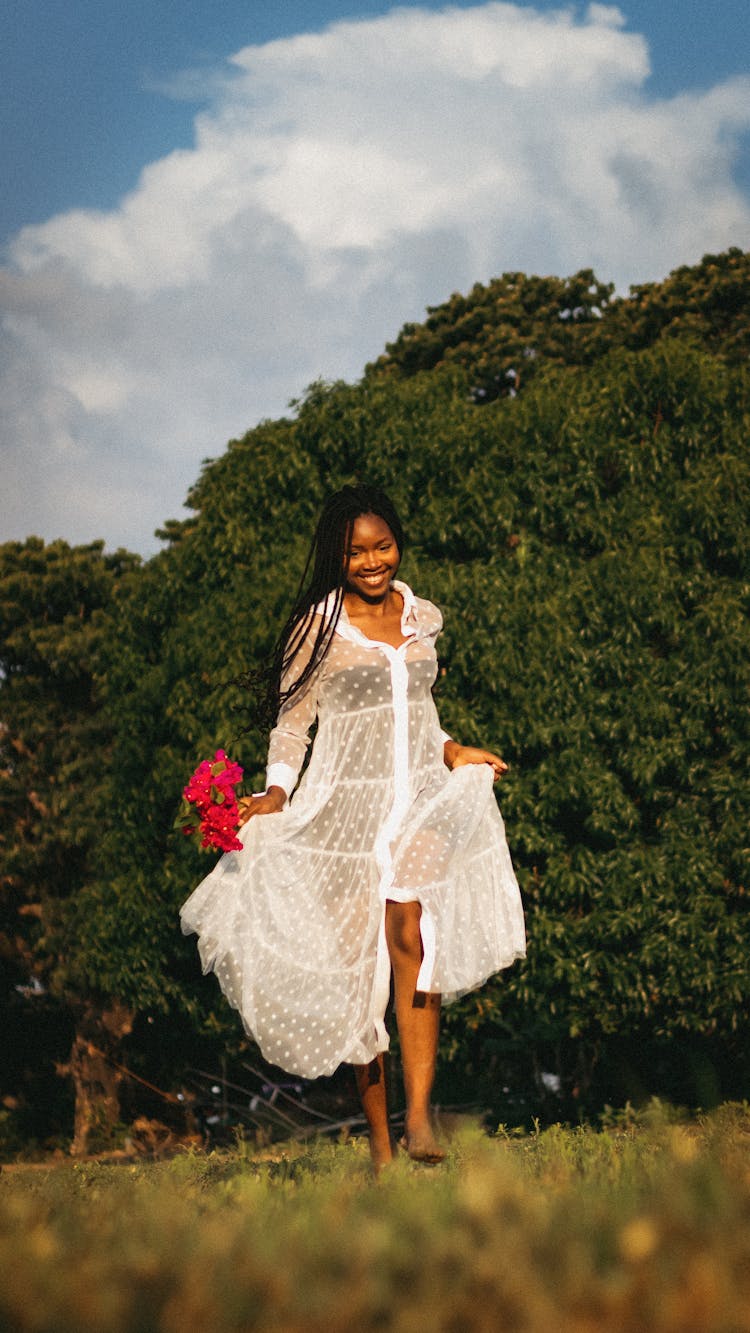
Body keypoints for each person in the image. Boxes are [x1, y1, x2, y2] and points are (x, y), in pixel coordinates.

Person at [180, 484, 525, 1169]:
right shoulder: (316, 626)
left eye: (383, 545)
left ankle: (421, 1117)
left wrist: (453, 750)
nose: (372, 561)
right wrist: (277, 791)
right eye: (356, 551)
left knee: (412, 932)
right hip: (344, 813)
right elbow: (292, 723)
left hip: (421, 796)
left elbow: (417, 711)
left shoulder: (419, 613)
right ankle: (380, 1144)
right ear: (337, 557)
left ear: (398, 542)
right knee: (358, 973)